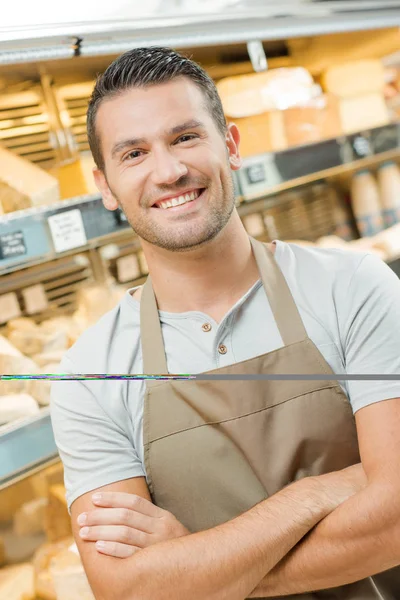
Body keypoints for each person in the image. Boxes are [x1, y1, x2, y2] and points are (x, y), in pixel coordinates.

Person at [50, 47, 400, 600]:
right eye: (134, 153)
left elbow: (397, 518)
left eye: (186, 137)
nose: (168, 171)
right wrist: (310, 497)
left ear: (231, 145)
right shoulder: (89, 374)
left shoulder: (353, 287)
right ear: (105, 186)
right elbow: (127, 592)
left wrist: (198, 573)